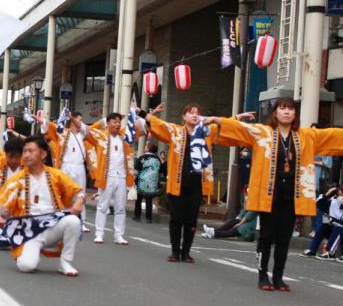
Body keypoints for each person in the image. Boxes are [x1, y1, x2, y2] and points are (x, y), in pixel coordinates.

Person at [214, 98, 343, 291]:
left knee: (284, 238)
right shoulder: (263, 132)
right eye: (282, 108)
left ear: (295, 114)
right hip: (269, 195)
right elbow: (240, 129)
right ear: (275, 113)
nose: (287, 112)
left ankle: (278, 277)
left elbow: (332, 135)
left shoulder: (306, 135)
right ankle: (262, 275)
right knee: (266, 236)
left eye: (290, 109)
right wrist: (218, 120)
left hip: (292, 196)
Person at [0, 135, 85, 276]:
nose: (26, 155)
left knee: (73, 221)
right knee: (27, 266)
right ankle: (28, 252)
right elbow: (0, 203)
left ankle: (65, 262)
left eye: (31, 151)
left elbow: (78, 192)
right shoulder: (17, 179)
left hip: (53, 226)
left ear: (43, 154)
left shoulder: (56, 175)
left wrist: (79, 202)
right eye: (25, 151)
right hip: (30, 231)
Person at [147, 103, 220, 263]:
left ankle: (186, 252)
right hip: (178, 182)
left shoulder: (206, 132)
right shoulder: (175, 131)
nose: (194, 115)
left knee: (191, 219)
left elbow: (224, 126)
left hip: (197, 183)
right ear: (184, 117)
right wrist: (152, 114)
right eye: (191, 112)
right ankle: (175, 251)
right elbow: (157, 125)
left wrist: (237, 117)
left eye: (197, 113)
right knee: (176, 218)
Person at [84, 112, 143, 245]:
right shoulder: (100, 136)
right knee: (102, 206)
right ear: (108, 123)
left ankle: (119, 236)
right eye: (114, 122)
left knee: (120, 208)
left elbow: (141, 127)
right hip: (107, 176)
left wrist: (138, 114)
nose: (117, 124)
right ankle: (99, 234)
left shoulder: (125, 136)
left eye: (119, 122)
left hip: (122, 176)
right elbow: (87, 130)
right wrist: (102, 121)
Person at [304, 186, 343, 258]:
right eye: (338, 194)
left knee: (339, 228)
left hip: (339, 230)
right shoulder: (334, 202)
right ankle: (312, 250)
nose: (340, 196)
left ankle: (330, 253)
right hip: (334, 229)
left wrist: (332, 220)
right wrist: (327, 194)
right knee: (323, 225)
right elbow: (318, 204)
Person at [133, 140, 162, 223]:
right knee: (149, 200)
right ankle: (149, 218)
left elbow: (136, 170)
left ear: (148, 149)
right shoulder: (158, 159)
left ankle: (137, 216)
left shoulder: (142, 157)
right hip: (152, 183)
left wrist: (134, 179)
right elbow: (160, 172)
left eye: (146, 146)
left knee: (138, 199)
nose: (145, 147)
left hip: (141, 181)